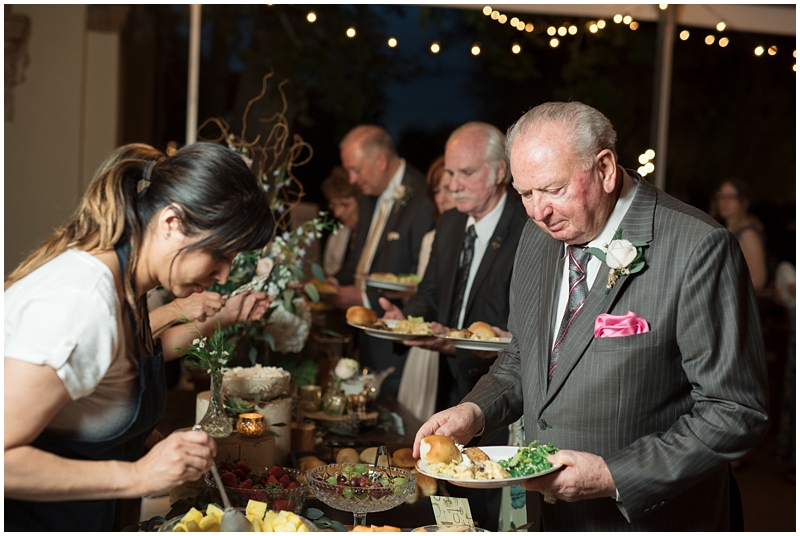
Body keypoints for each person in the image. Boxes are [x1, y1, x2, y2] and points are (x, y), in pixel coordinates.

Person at [413, 102, 769, 530]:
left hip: (650, 519)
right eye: (525, 193)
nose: (537, 212)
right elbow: (524, 357)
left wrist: (614, 476)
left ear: (604, 168)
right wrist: (475, 412)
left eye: (553, 189)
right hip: (553, 517)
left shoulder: (698, 247)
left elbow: (735, 410)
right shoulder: (537, 236)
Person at [4, 142, 275, 531]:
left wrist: (155, 445)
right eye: (220, 254)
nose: (224, 276)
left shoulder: (127, 287)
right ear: (172, 223)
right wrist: (140, 476)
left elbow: (103, 390)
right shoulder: (82, 302)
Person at [384, 122, 528, 531]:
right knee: (451, 502)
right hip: (448, 385)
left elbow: (525, 325)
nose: (453, 183)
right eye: (450, 173)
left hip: (504, 398)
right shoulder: (449, 225)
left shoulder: (529, 228)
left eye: (466, 173)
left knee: (491, 509)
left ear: (500, 173)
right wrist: (404, 321)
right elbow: (428, 294)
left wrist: (472, 345)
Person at [331, 125, 435, 396]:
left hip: (395, 342)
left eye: (356, 170)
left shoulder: (423, 197)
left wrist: (365, 298)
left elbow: (420, 278)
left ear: (381, 160)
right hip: (362, 337)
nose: (352, 180)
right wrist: (330, 283)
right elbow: (360, 260)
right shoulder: (368, 199)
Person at [396, 155, 456, 422]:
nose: (442, 197)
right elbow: (426, 290)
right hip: (427, 337)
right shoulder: (431, 237)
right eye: (437, 190)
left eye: (448, 188)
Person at [712, 178, 768, 290]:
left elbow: (758, 280)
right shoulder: (725, 230)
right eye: (721, 196)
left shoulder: (748, 234)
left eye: (731, 197)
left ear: (744, 202)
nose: (724, 201)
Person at [321, 165, 361, 277]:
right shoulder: (336, 236)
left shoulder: (379, 237)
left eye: (345, 205)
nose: (337, 213)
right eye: (334, 205)